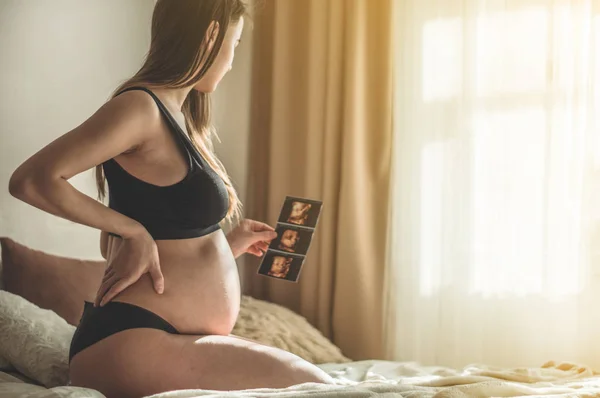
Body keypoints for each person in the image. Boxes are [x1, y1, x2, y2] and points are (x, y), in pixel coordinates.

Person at [7, 1, 335, 396]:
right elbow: (31, 180)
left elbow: (170, 244)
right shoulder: (140, 108)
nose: (232, 62)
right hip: (132, 337)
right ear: (212, 35)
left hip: (160, 336)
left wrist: (228, 246)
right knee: (316, 387)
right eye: (236, 43)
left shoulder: (178, 115)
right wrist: (132, 231)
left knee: (318, 381)